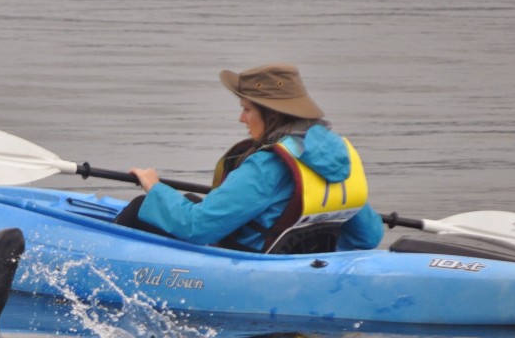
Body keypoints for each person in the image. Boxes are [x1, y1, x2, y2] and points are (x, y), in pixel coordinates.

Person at [115, 63, 384, 253]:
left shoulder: (268, 165)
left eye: (246, 109)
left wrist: (154, 187)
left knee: (142, 207)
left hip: (250, 266)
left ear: (272, 114)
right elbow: (369, 236)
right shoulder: (339, 156)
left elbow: (197, 228)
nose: (241, 118)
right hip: (300, 266)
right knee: (186, 202)